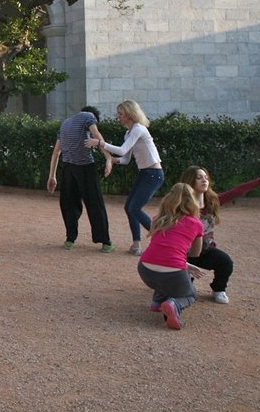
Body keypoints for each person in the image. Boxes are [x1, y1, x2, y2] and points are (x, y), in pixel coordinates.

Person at [85, 99, 163, 256]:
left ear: (129, 114)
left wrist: (100, 143)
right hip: (146, 173)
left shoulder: (138, 129)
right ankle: (136, 244)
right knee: (130, 208)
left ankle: (161, 238)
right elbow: (125, 158)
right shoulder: (129, 132)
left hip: (153, 174)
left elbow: (121, 150)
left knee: (134, 208)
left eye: (120, 114)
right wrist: (113, 160)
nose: (118, 117)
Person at [180, 166, 260, 304]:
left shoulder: (213, 202)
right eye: (199, 177)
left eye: (206, 177)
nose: (204, 180)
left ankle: (218, 289)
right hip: (184, 254)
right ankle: (180, 282)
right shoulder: (181, 206)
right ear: (190, 181)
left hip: (206, 250)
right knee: (183, 289)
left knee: (225, 262)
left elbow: (239, 190)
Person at [137, 183, 206, 330]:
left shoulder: (157, 219)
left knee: (163, 278)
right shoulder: (196, 223)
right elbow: (195, 253)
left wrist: (183, 263)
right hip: (172, 274)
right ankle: (174, 304)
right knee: (191, 294)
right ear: (192, 201)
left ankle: (157, 302)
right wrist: (183, 261)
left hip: (145, 269)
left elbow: (161, 251)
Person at [46, 106, 115, 252]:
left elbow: (56, 153)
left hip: (68, 169)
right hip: (85, 167)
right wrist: (108, 158)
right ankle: (105, 242)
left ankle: (70, 239)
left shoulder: (65, 123)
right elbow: (98, 137)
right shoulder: (88, 116)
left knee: (69, 204)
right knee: (95, 203)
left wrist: (52, 176)